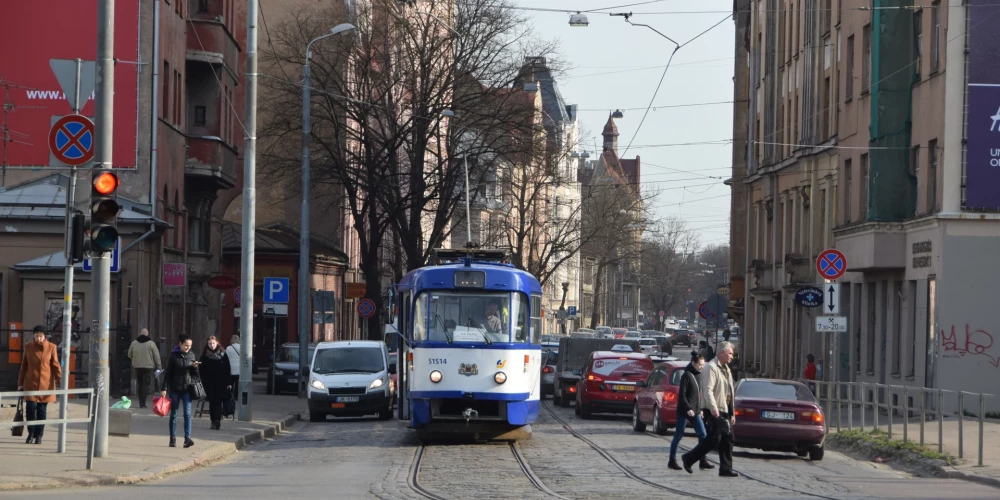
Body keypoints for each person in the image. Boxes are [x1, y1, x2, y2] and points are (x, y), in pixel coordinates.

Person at [682, 341, 739, 477]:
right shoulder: (711, 367)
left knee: (725, 439)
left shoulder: (726, 368)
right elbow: (708, 390)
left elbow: (729, 391)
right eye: (730, 354)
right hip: (715, 409)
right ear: (721, 353)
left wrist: (732, 412)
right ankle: (689, 459)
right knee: (715, 440)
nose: (732, 357)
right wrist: (714, 409)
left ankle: (724, 468)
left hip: (724, 409)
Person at [668, 351, 714, 471]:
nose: (702, 367)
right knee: (678, 434)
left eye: (703, 365)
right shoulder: (686, 375)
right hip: (684, 410)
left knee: (703, 435)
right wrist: (688, 408)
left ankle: (702, 459)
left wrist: (700, 409)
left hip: (696, 411)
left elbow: (697, 395)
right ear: (693, 363)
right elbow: (682, 395)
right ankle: (672, 460)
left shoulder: (698, 374)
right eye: (700, 365)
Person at [17, 325, 62, 445]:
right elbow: (24, 366)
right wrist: (20, 384)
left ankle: (39, 435)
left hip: (45, 384)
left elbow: (55, 365)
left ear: (45, 336)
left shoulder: (52, 347)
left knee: (42, 410)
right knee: (31, 408)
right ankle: (31, 433)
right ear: (33, 336)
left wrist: (60, 381)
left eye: (41, 336)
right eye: (36, 335)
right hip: (30, 382)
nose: (38, 338)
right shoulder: (28, 347)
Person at [160, 335, 200, 448]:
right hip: (175, 389)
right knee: (174, 414)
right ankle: (172, 439)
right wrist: (164, 388)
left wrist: (195, 367)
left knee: (187, 414)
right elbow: (168, 373)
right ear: (180, 344)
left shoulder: (192, 355)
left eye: (190, 346)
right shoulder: (174, 356)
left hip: (187, 389)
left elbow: (195, 376)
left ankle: (187, 439)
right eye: (186, 345)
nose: (188, 347)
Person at [199, 336, 232, 430]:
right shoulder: (205, 356)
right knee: (212, 402)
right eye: (210, 343)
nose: (212, 345)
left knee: (218, 402)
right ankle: (213, 421)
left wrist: (229, 382)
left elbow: (227, 369)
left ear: (217, 343)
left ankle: (217, 420)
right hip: (209, 383)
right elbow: (201, 371)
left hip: (221, 382)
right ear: (207, 344)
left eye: (213, 343)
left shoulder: (223, 354)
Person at [128, 328, 162, 408]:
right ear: (147, 334)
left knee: (140, 384)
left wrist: (135, 359)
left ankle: (140, 401)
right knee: (145, 385)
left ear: (140, 334)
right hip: (148, 367)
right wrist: (159, 367)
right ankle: (142, 403)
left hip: (137, 366)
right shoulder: (151, 343)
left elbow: (129, 354)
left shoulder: (134, 343)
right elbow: (157, 356)